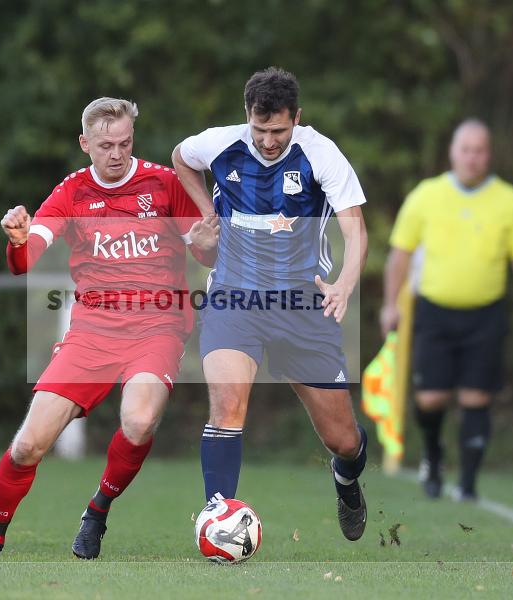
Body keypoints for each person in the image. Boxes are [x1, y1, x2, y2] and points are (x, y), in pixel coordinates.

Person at [0, 97, 218, 559]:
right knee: (28, 445)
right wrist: (18, 239)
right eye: (106, 145)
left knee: (140, 419)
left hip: (157, 327)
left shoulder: (164, 184)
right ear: (85, 143)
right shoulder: (71, 193)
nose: (117, 153)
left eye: (124, 143)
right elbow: (24, 261)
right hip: (92, 333)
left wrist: (206, 245)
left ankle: (97, 511)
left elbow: (204, 251)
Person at [172, 67, 370, 541]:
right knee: (226, 406)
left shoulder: (320, 154)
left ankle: (346, 481)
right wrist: (206, 211)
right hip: (234, 297)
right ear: (248, 117)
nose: (268, 141)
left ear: (296, 119)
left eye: (278, 130)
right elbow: (181, 156)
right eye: (260, 130)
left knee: (343, 441)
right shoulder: (222, 143)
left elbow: (355, 228)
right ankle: (217, 522)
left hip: (303, 305)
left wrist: (344, 283)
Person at [381, 119, 513, 500]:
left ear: (489, 155)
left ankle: (469, 484)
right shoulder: (427, 195)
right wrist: (390, 305)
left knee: (477, 397)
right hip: (434, 312)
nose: (472, 158)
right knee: (431, 398)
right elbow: (399, 255)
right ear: (453, 152)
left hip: (485, 314)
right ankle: (433, 454)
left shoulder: (508, 200)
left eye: (480, 150)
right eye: (466, 150)